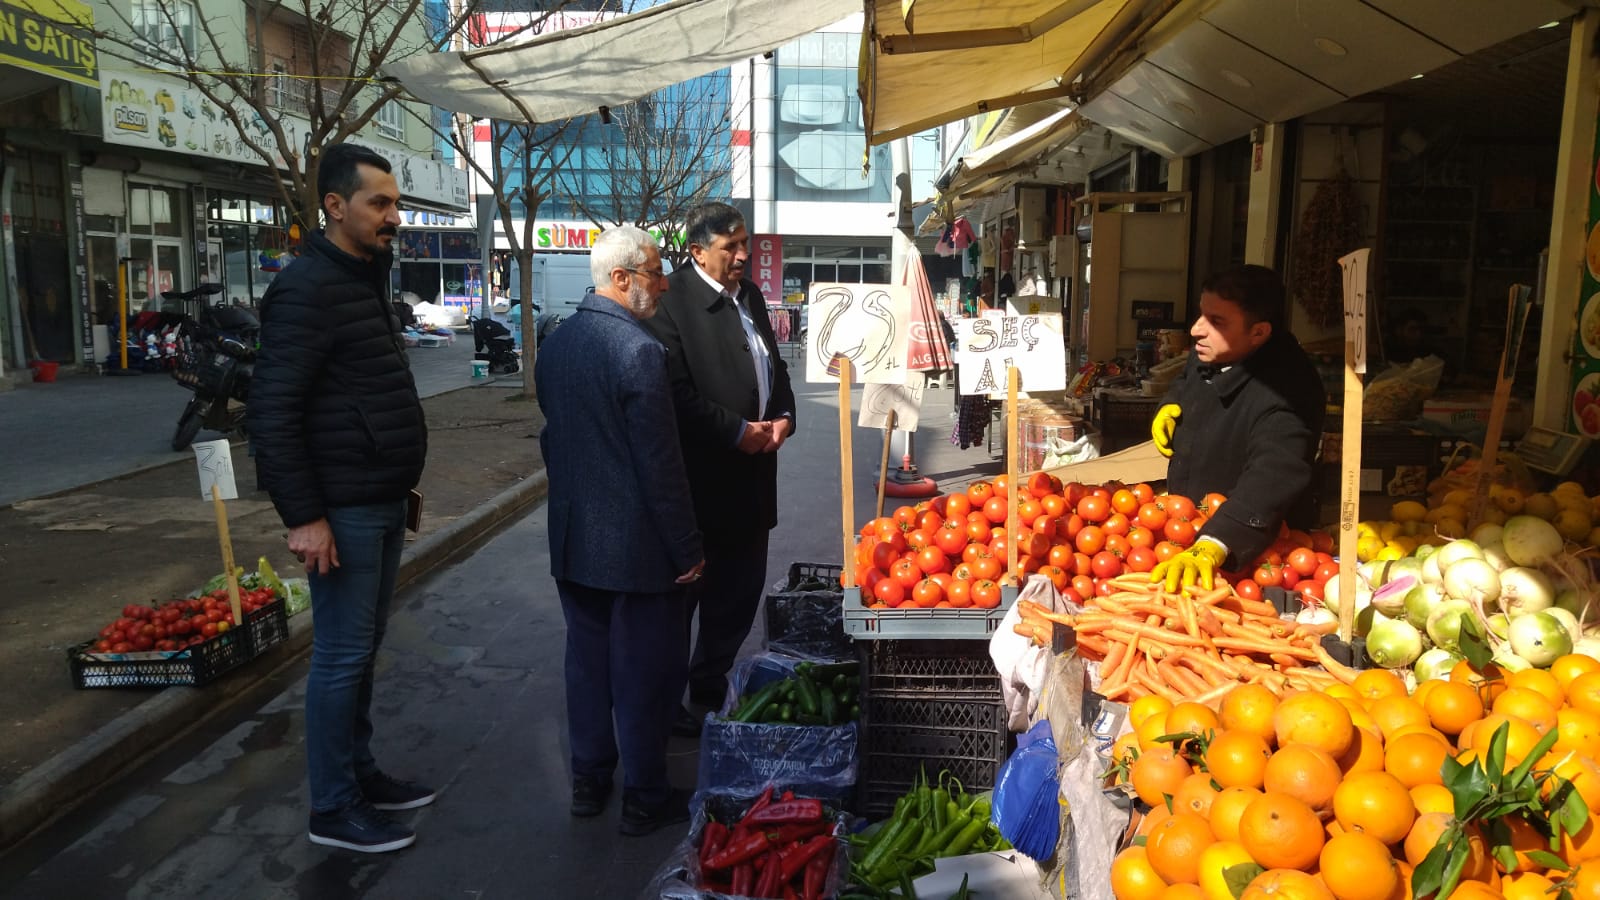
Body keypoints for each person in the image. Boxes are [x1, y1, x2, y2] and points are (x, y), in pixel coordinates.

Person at [249, 143, 433, 854]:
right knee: (341, 655)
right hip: (343, 510)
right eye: (378, 203)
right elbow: (273, 413)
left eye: (396, 202)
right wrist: (304, 518)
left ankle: (358, 773)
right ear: (334, 205)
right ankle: (333, 806)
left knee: (363, 649)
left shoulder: (363, 277)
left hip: (380, 497)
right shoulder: (307, 289)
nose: (394, 216)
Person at [536, 226, 705, 835]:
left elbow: (554, 439)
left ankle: (589, 780)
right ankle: (644, 796)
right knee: (642, 674)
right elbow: (661, 464)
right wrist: (687, 548)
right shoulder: (639, 351)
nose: (664, 285)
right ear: (620, 278)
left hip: (574, 538)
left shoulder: (556, 344)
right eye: (656, 273)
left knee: (586, 665)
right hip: (635, 549)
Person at [640, 202, 796, 737]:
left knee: (738, 594)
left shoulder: (749, 296)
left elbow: (775, 367)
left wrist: (784, 415)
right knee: (681, 602)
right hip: (698, 486)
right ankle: (660, 704)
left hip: (753, 483)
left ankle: (708, 683)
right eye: (730, 247)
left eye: (744, 244)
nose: (742, 255)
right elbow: (675, 393)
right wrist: (735, 431)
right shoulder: (672, 302)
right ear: (698, 251)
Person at [1149, 264, 1327, 592]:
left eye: (1216, 321)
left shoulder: (1290, 390)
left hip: (1250, 549)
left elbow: (1275, 473)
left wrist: (1217, 541)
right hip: (1189, 524)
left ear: (1258, 332)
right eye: (1201, 314)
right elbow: (1187, 378)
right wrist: (1170, 403)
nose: (1196, 329)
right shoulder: (1219, 348)